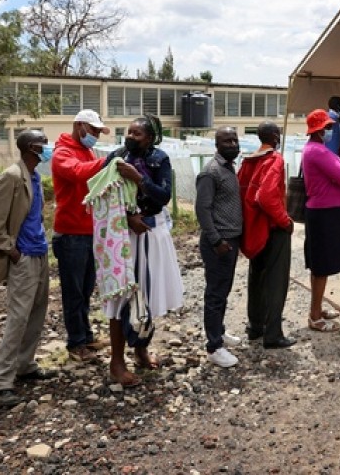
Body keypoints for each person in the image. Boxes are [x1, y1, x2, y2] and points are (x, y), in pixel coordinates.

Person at [99, 115, 185, 382]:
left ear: (149, 138)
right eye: (129, 133)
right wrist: (127, 219)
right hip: (123, 237)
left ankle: (141, 351)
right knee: (122, 295)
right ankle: (116, 363)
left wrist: (139, 179)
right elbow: (103, 195)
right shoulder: (115, 157)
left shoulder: (160, 159)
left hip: (152, 232)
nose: (130, 137)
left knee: (145, 293)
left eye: (137, 134)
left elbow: (163, 196)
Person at [0, 130, 58, 407]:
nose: (48, 148)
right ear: (31, 147)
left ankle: (25, 365)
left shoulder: (34, 177)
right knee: (18, 317)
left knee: (37, 313)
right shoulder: (12, 177)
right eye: (44, 144)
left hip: (38, 253)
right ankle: (1, 382)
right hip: (23, 256)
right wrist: (12, 252)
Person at [52, 109, 112, 363]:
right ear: (79, 126)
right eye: (94, 130)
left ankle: (86, 335)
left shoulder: (86, 151)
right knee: (74, 291)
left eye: (99, 131)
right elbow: (77, 172)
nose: (96, 135)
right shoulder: (62, 153)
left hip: (89, 232)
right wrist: (107, 161)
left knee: (86, 288)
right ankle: (75, 342)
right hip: (70, 235)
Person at [238, 121, 296, 349]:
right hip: (272, 229)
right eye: (278, 133)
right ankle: (273, 334)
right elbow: (266, 196)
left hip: (253, 229)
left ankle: (255, 326)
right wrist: (285, 221)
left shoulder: (248, 161)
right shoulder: (274, 160)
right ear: (273, 136)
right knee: (276, 281)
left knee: (256, 278)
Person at [195, 127, 244, 367]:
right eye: (227, 140)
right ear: (217, 144)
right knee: (215, 294)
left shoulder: (228, 168)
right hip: (219, 243)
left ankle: (220, 332)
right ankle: (214, 346)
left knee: (223, 291)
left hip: (230, 241)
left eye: (234, 140)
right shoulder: (210, 172)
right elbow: (202, 210)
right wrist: (216, 240)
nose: (232, 144)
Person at [302, 109, 340, 331]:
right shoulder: (318, 152)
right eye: (328, 128)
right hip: (326, 213)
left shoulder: (314, 149)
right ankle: (314, 316)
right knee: (321, 266)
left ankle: (317, 307)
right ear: (319, 130)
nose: (331, 131)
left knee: (318, 266)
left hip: (323, 211)